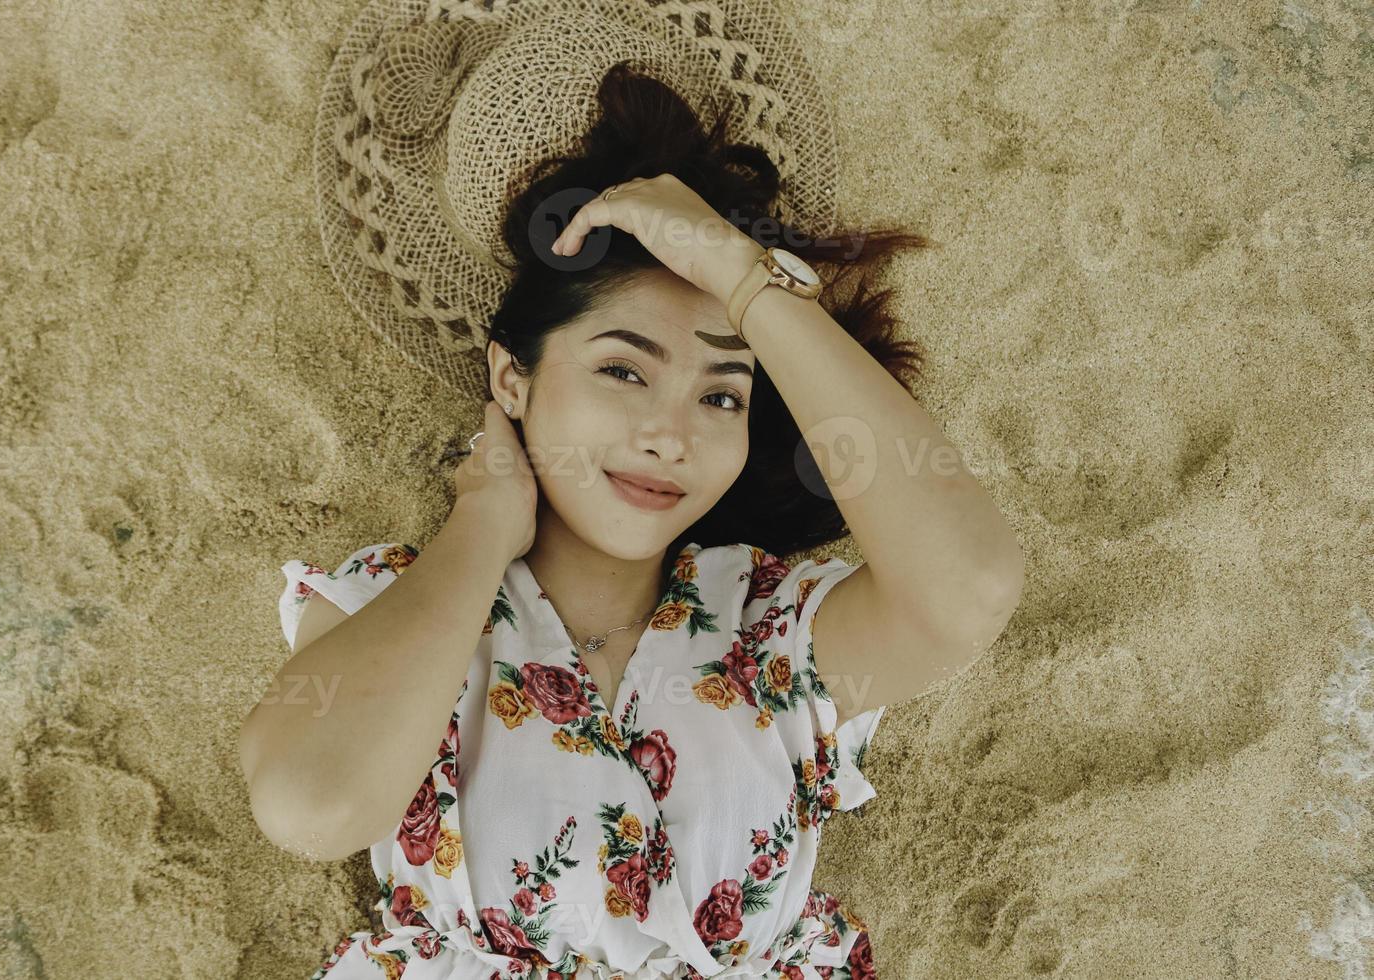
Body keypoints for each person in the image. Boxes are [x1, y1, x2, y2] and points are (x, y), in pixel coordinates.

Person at [240, 15, 1025, 980]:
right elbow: (309, 805)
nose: (672, 434)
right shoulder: (398, 605)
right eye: (622, 370)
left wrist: (752, 288)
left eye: (722, 394)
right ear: (514, 381)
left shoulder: (766, 631)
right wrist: (482, 530)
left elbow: (972, 586)